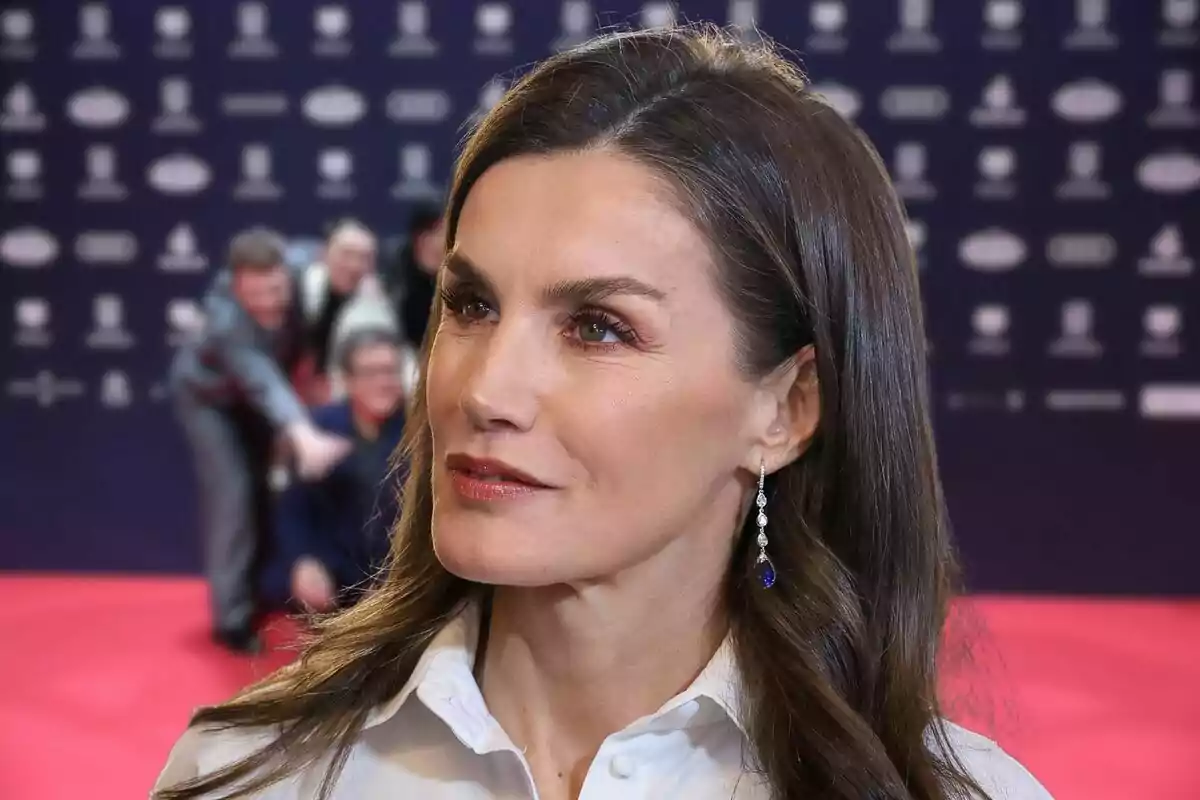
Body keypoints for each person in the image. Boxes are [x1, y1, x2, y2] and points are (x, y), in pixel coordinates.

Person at [154, 26, 1053, 800]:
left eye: (598, 327)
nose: (482, 391)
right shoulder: (250, 772)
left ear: (785, 408)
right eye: (470, 305)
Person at [170, 228, 352, 655]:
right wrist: (305, 436)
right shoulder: (225, 322)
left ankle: (264, 588)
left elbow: (333, 260)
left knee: (268, 491)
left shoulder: (305, 260)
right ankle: (230, 619)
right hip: (210, 402)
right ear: (235, 286)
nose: (270, 303)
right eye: (256, 295)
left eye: (276, 290)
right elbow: (264, 381)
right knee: (234, 495)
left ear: (286, 273)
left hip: (263, 402)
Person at [261, 328, 408, 614]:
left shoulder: (422, 433)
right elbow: (293, 509)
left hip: (398, 574)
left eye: (390, 371)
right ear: (348, 381)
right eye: (370, 373)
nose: (383, 382)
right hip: (336, 569)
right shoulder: (318, 429)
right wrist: (303, 560)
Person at [296, 219, 401, 404]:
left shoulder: (378, 307)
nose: (354, 265)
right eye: (346, 254)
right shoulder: (297, 287)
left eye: (364, 257)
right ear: (323, 254)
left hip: (341, 396)